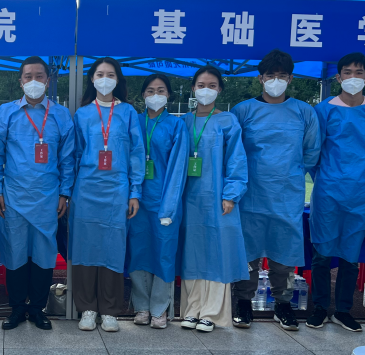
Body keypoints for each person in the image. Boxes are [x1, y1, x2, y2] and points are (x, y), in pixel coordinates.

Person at [231, 50, 321, 331]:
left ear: (291, 78)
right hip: (250, 193)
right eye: (270, 75)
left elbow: (311, 152)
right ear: (260, 78)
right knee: (248, 251)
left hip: (287, 193)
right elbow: (233, 152)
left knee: (284, 253)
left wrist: (290, 173)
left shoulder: (304, 111)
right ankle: (243, 302)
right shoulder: (243, 111)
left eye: (282, 76)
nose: (276, 80)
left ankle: (283, 304)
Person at [0, 56, 75, 331]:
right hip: (13, 197)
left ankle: (37, 308)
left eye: (39, 76)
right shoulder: (7, 113)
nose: (34, 81)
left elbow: (68, 158)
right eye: (28, 76)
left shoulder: (61, 115)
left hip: (48, 198)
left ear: (48, 81)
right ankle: (16, 308)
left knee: (44, 254)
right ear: (20, 81)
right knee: (14, 252)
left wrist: (65, 193)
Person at [307, 53, 365, 333]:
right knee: (321, 252)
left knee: (351, 253)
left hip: (360, 190)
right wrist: (327, 177)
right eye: (347, 72)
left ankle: (342, 310)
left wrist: (358, 174)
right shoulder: (323, 110)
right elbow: (313, 152)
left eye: (358, 72)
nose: (353, 77)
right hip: (327, 188)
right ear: (338, 77)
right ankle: (319, 307)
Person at [70, 57, 144, 333]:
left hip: (117, 189)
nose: (104, 79)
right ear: (92, 79)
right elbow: (74, 155)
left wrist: (134, 191)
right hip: (86, 189)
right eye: (100, 74)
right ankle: (87, 308)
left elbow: (137, 153)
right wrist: (68, 191)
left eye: (110, 74)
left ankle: (110, 309)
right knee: (85, 247)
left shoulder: (128, 113)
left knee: (113, 247)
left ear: (117, 79)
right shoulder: (82, 114)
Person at [178, 66, 249, 332]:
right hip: (188, 198)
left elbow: (237, 160)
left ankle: (212, 312)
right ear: (193, 88)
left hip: (219, 197)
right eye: (200, 85)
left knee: (217, 251)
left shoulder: (228, 121)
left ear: (219, 89)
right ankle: (192, 308)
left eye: (211, 85)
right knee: (192, 252)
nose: (205, 90)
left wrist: (231, 194)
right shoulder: (184, 122)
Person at [126, 75, 189, 328]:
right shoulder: (134, 121)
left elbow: (178, 168)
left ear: (169, 95)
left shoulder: (176, 125)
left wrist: (169, 206)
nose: (155, 95)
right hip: (136, 200)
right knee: (138, 252)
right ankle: (141, 306)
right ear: (143, 95)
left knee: (164, 252)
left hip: (165, 200)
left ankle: (160, 309)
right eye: (150, 90)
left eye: (161, 90)